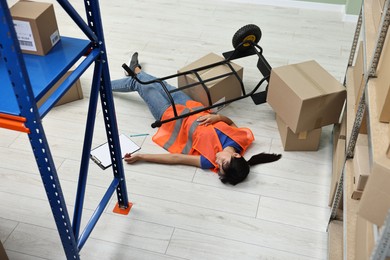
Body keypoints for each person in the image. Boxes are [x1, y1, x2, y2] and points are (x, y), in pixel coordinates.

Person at [111, 52, 281, 185]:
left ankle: (104, 84)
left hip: (170, 116)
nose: (218, 163)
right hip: (190, 105)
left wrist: (142, 157)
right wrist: (216, 118)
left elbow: (176, 159)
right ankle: (136, 70)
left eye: (219, 168)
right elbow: (229, 122)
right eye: (223, 163)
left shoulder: (208, 161)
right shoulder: (241, 139)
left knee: (139, 84)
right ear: (237, 156)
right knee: (158, 83)